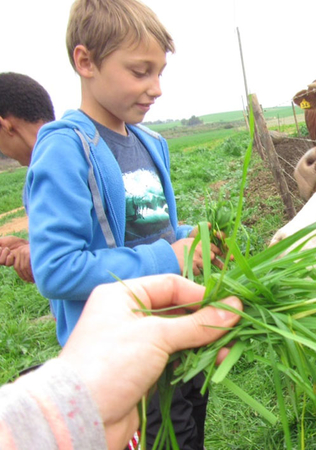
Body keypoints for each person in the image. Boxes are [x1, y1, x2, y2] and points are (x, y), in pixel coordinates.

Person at [25, 0, 223, 447]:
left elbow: (157, 229)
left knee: (191, 426)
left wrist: (193, 240)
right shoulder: (66, 147)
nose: (156, 88)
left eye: (160, 73)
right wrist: (166, 258)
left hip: (178, 331)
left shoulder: (150, 142)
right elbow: (57, 268)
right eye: (140, 72)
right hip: (123, 351)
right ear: (86, 61)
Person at [0, 274, 243, 450]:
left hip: (164, 327)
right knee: (169, 427)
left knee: (191, 411)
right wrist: (165, 255)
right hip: (129, 338)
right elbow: (55, 270)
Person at [0, 72, 55, 283]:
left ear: (5, 125)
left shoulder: (60, 163)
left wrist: (44, 254)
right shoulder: (41, 167)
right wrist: (28, 249)